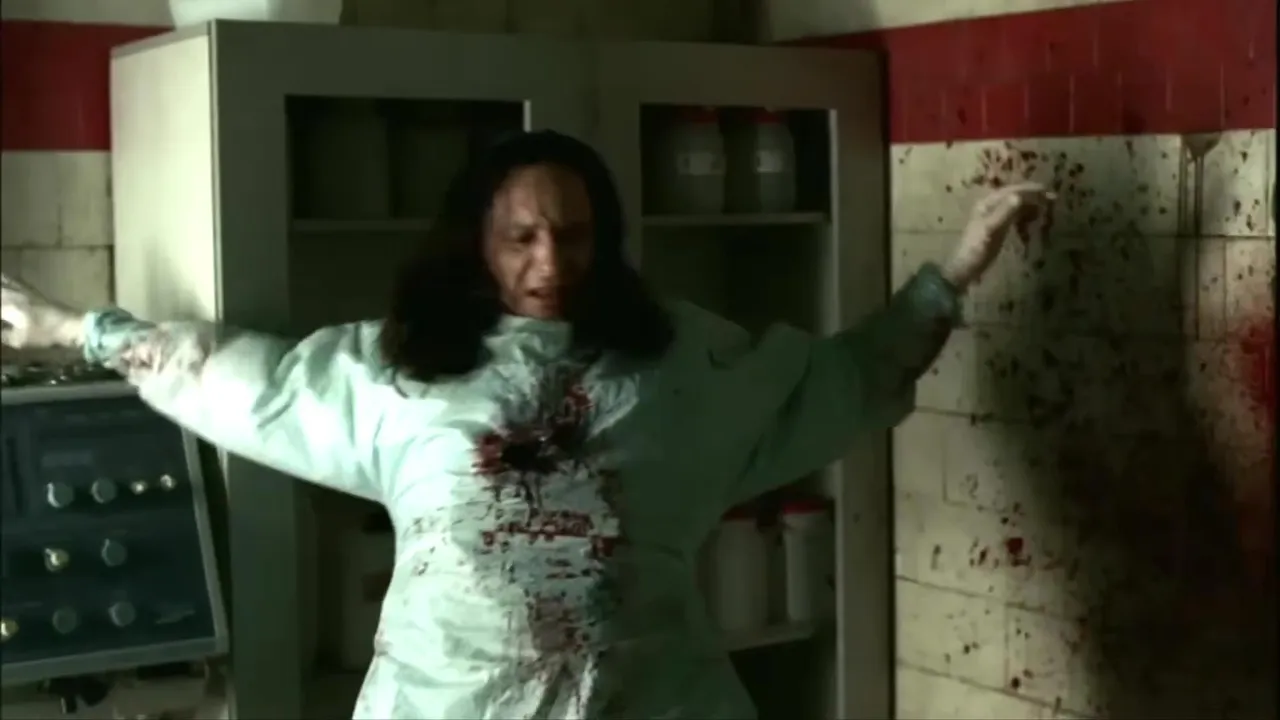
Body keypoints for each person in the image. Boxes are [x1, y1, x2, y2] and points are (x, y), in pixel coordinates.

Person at [0, 131, 1052, 719]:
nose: (551, 263)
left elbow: (838, 381)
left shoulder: (679, 368)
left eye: (575, 236)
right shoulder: (403, 376)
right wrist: (75, 327)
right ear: (480, 241)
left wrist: (953, 273)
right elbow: (249, 381)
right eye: (522, 237)